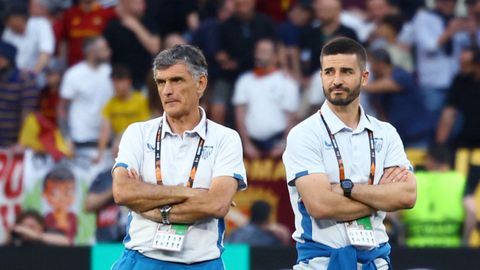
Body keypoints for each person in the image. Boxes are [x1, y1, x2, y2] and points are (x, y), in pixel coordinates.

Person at [283, 37, 417, 269]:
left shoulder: (386, 133)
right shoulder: (304, 134)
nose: (336, 80)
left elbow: (406, 196)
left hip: (375, 262)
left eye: (346, 72)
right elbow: (320, 206)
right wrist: (381, 198)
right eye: (329, 72)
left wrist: (347, 188)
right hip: (321, 263)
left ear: (364, 77)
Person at [111, 44, 247, 269]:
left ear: (200, 83)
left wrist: (148, 202)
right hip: (141, 259)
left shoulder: (226, 138)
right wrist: (189, 194)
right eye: (161, 82)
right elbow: (122, 192)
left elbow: (216, 204)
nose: (167, 90)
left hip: (201, 262)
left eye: (176, 80)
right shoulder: (137, 132)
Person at [232, 38, 299, 159]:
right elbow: (240, 114)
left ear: (275, 57)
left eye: (264, 52)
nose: (258, 55)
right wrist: (246, 144)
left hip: (278, 145)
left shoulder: (287, 82)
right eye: (257, 51)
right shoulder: (244, 80)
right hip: (250, 145)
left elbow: (291, 116)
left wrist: (283, 144)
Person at [57, 36, 113, 161]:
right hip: (80, 144)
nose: (109, 52)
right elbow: (62, 108)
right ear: (91, 52)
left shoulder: (110, 73)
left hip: (106, 145)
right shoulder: (73, 74)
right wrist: (66, 138)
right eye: (104, 49)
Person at [364, 48, 433, 148]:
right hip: (399, 137)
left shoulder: (400, 74)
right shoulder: (377, 84)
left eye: (372, 64)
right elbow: (381, 114)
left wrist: (354, 85)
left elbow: (389, 85)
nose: (370, 68)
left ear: (381, 63)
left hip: (417, 134)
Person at [401, 145, 466, 247]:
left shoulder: (413, 180)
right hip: (452, 247)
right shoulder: (460, 180)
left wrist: (401, 239)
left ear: (430, 160)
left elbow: (394, 212)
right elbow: (471, 210)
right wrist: (465, 241)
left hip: (414, 246)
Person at [94, 65, 150, 164]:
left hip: (140, 142)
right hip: (119, 146)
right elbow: (105, 130)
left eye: (118, 82)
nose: (115, 86)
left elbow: (146, 126)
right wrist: (100, 154)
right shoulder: (110, 104)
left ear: (128, 81)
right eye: (113, 82)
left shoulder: (141, 100)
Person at [0, 40, 39, 149]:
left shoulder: (25, 80)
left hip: (14, 146)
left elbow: (27, 114)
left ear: (7, 59)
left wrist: (22, 142)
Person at [85, 170, 125, 242]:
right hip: (105, 241)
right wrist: (114, 190)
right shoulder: (104, 177)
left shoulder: (138, 174)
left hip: (132, 241)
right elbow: (89, 205)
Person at [42, 166, 77, 243]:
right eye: (56, 193)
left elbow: (68, 240)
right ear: (45, 194)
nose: (62, 198)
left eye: (67, 192)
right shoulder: (47, 217)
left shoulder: (72, 217)